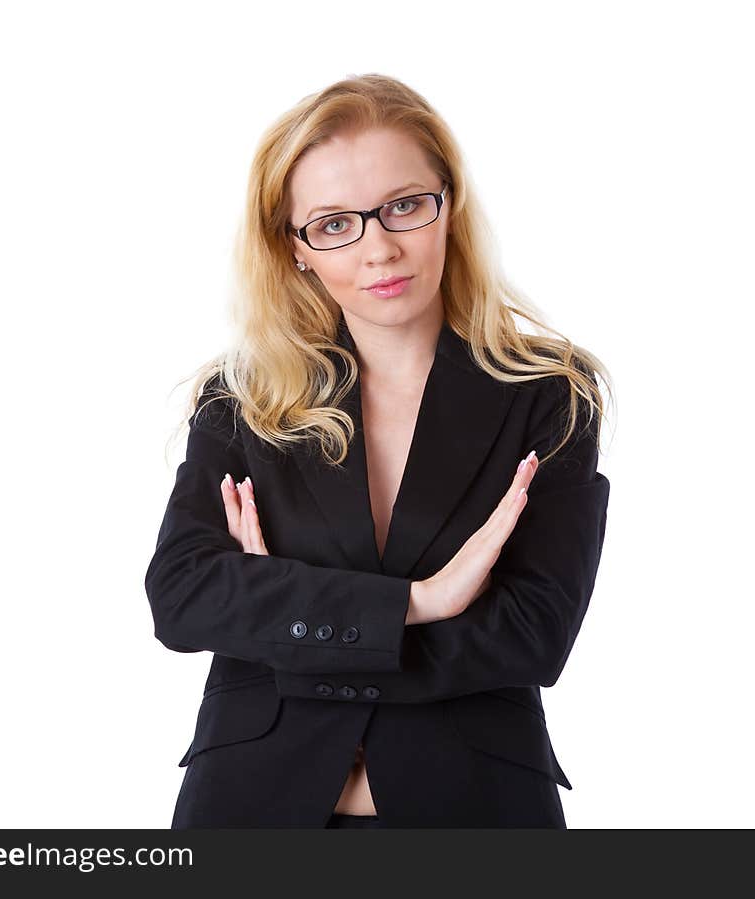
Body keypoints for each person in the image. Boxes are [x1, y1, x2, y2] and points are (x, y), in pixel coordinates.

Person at [144, 73, 613, 829]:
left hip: (474, 812)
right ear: (293, 248)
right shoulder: (244, 402)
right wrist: (420, 603)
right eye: (334, 224)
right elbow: (183, 597)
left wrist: (293, 629)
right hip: (251, 810)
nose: (380, 248)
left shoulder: (549, 393)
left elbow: (533, 633)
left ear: (447, 206)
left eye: (404, 205)